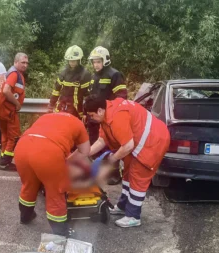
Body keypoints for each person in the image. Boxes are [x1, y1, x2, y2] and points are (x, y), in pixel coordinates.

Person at [84, 94, 170, 228]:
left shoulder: (117, 116)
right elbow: (102, 140)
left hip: (153, 141)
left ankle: (133, 216)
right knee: (127, 174)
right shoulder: (106, 115)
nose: (91, 118)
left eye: (91, 115)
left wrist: (113, 158)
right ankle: (123, 206)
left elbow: (128, 145)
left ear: (100, 110)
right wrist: (85, 153)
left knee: (138, 176)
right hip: (139, 140)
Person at [14, 112, 90, 236]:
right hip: (48, 152)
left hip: (22, 147)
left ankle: (25, 216)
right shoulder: (78, 123)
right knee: (56, 192)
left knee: (29, 185)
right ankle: (61, 232)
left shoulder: (46, 116)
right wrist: (67, 162)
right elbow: (85, 151)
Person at [87, 46, 128, 185]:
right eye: (94, 62)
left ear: (105, 60)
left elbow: (121, 97)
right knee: (95, 145)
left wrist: (113, 115)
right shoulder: (94, 77)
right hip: (94, 118)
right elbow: (91, 96)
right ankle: (100, 171)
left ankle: (115, 174)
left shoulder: (115, 75)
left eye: (98, 61)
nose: (95, 64)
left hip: (108, 118)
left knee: (111, 147)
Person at [0, 53, 29, 171]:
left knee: (5, 135)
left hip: (0, 109)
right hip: (7, 110)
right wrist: (17, 103)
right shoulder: (14, 74)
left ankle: (3, 160)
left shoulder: (11, 72)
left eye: (26, 63)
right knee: (14, 136)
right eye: (23, 62)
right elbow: (6, 90)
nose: (25, 65)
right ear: (15, 62)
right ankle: (6, 162)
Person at [47, 45, 91, 118]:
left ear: (79, 60)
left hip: (77, 110)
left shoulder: (85, 74)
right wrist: (51, 105)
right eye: (70, 60)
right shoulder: (63, 73)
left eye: (74, 60)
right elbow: (56, 91)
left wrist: (87, 111)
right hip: (62, 107)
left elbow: (88, 95)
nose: (72, 62)